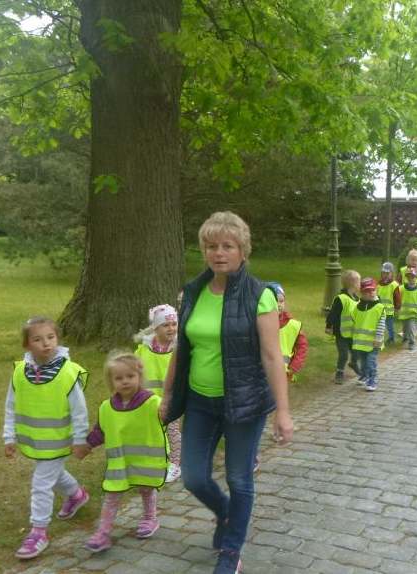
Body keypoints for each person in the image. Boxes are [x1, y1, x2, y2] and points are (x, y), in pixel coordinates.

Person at [160, 211, 294, 574]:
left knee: (239, 478)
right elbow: (181, 349)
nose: (218, 253)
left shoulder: (260, 296)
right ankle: (226, 514)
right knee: (193, 477)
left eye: (227, 246)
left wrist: (283, 411)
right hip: (199, 401)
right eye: (211, 246)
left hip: (244, 403)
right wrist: (168, 393)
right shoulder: (192, 292)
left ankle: (231, 551)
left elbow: (272, 356)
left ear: (242, 251)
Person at [3, 317, 90, 560]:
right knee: (51, 473)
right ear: (27, 345)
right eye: (38, 339)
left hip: (59, 440)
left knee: (41, 483)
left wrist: (80, 439)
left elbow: (79, 411)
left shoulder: (67, 373)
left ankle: (39, 531)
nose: (46, 343)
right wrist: (9, 437)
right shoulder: (20, 372)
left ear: (58, 339)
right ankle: (77, 495)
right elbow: (10, 406)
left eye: (51, 337)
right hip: (35, 440)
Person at [79, 352, 166, 552]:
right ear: (111, 382)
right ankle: (103, 533)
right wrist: (87, 445)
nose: (125, 381)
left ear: (139, 377)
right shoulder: (107, 408)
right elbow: (101, 431)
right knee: (112, 496)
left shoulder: (153, 402)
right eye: (119, 378)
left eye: (130, 376)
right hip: (120, 464)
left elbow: (168, 417)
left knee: (146, 489)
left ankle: (150, 518)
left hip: (146, 461)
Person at [134, 304, 181, 482]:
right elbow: (136, 369)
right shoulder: (144, 349)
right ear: (155, 327)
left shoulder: (178, 348)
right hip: (149, 399)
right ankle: (155, 458)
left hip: (172, 398)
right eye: (165, 325)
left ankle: (175, 464)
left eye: (174, 324)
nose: (171, 328)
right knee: (152, 430)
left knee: (172, 430)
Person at [266, 282, 308, 383]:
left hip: (283, 374)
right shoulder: (259, 323)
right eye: (274, 301)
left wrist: (294, 367)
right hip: (262, 374)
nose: (279, 304)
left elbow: (302, 347)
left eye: (281, 301)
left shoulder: (293, 325)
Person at [326, 269, 362, 383]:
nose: (360, 284)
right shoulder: (341, 298)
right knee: (343, 354)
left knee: (356, 352)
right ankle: (339, 373)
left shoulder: (357, 299)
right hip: (341, 333)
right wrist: (329, 326)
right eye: (359, 282)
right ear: (353, 283)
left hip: (353, 333)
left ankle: (353, 363)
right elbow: (333, 313)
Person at [351, 277, 387, 391]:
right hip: (361, 342)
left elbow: (381, 324)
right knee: (363, 361)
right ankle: (365, 375)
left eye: (373, 290)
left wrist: (378, 338)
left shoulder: (379, 307)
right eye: (367, 291)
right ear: (362, 293)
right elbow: (354, 320)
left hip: (374, 341)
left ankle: (372, 379)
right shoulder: (357, 307)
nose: (371, 293)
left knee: (370, 361)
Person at [398, 267, 417, 350]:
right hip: (404, 313)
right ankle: (405, 338)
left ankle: (412, 342)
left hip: (414, 313)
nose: (411, 279)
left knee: (411, 328)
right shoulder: (402, 288)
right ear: (406, 278)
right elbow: (397, 298)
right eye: (409, 277)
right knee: (405, 327)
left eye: (413, 277)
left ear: (416, 277)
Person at [376, 262, 401, 344]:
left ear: (392, 273)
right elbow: (376, 296)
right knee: (379, 326)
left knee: (389, 326)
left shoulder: (394, 285)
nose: (385, 275)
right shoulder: (379, 285)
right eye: (384, 273)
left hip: (389, 311)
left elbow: (397, 297)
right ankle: (379, 339)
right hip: (379, 311)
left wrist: (397, 307)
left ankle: (391, 339)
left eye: (387, 273)